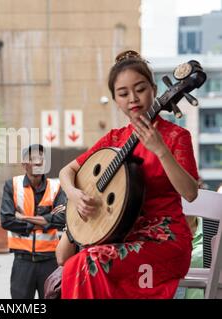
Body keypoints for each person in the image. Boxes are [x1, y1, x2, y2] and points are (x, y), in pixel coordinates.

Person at [57, 50, 199, 299]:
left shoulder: (176, 137)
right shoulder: (114, 139)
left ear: (154, 89)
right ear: (115, 99)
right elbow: (66, 171)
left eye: (140, 89)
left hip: (164, 244)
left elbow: (190, 193)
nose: (133, 98)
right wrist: (74, 194)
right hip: (121, 239)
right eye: (123, 94)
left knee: (89, 263)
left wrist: (160, 150)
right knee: (74, 265)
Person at [0, 144, 67, 299]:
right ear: (24, 164)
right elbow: (7, 221)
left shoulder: (56, 187)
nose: (38, 162)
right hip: (22, 262)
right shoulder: (12, 185)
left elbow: (62, 219)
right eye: (33, 159)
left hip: (50, 261)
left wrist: (23, 218)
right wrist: (46, 221)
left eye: (41, 158)